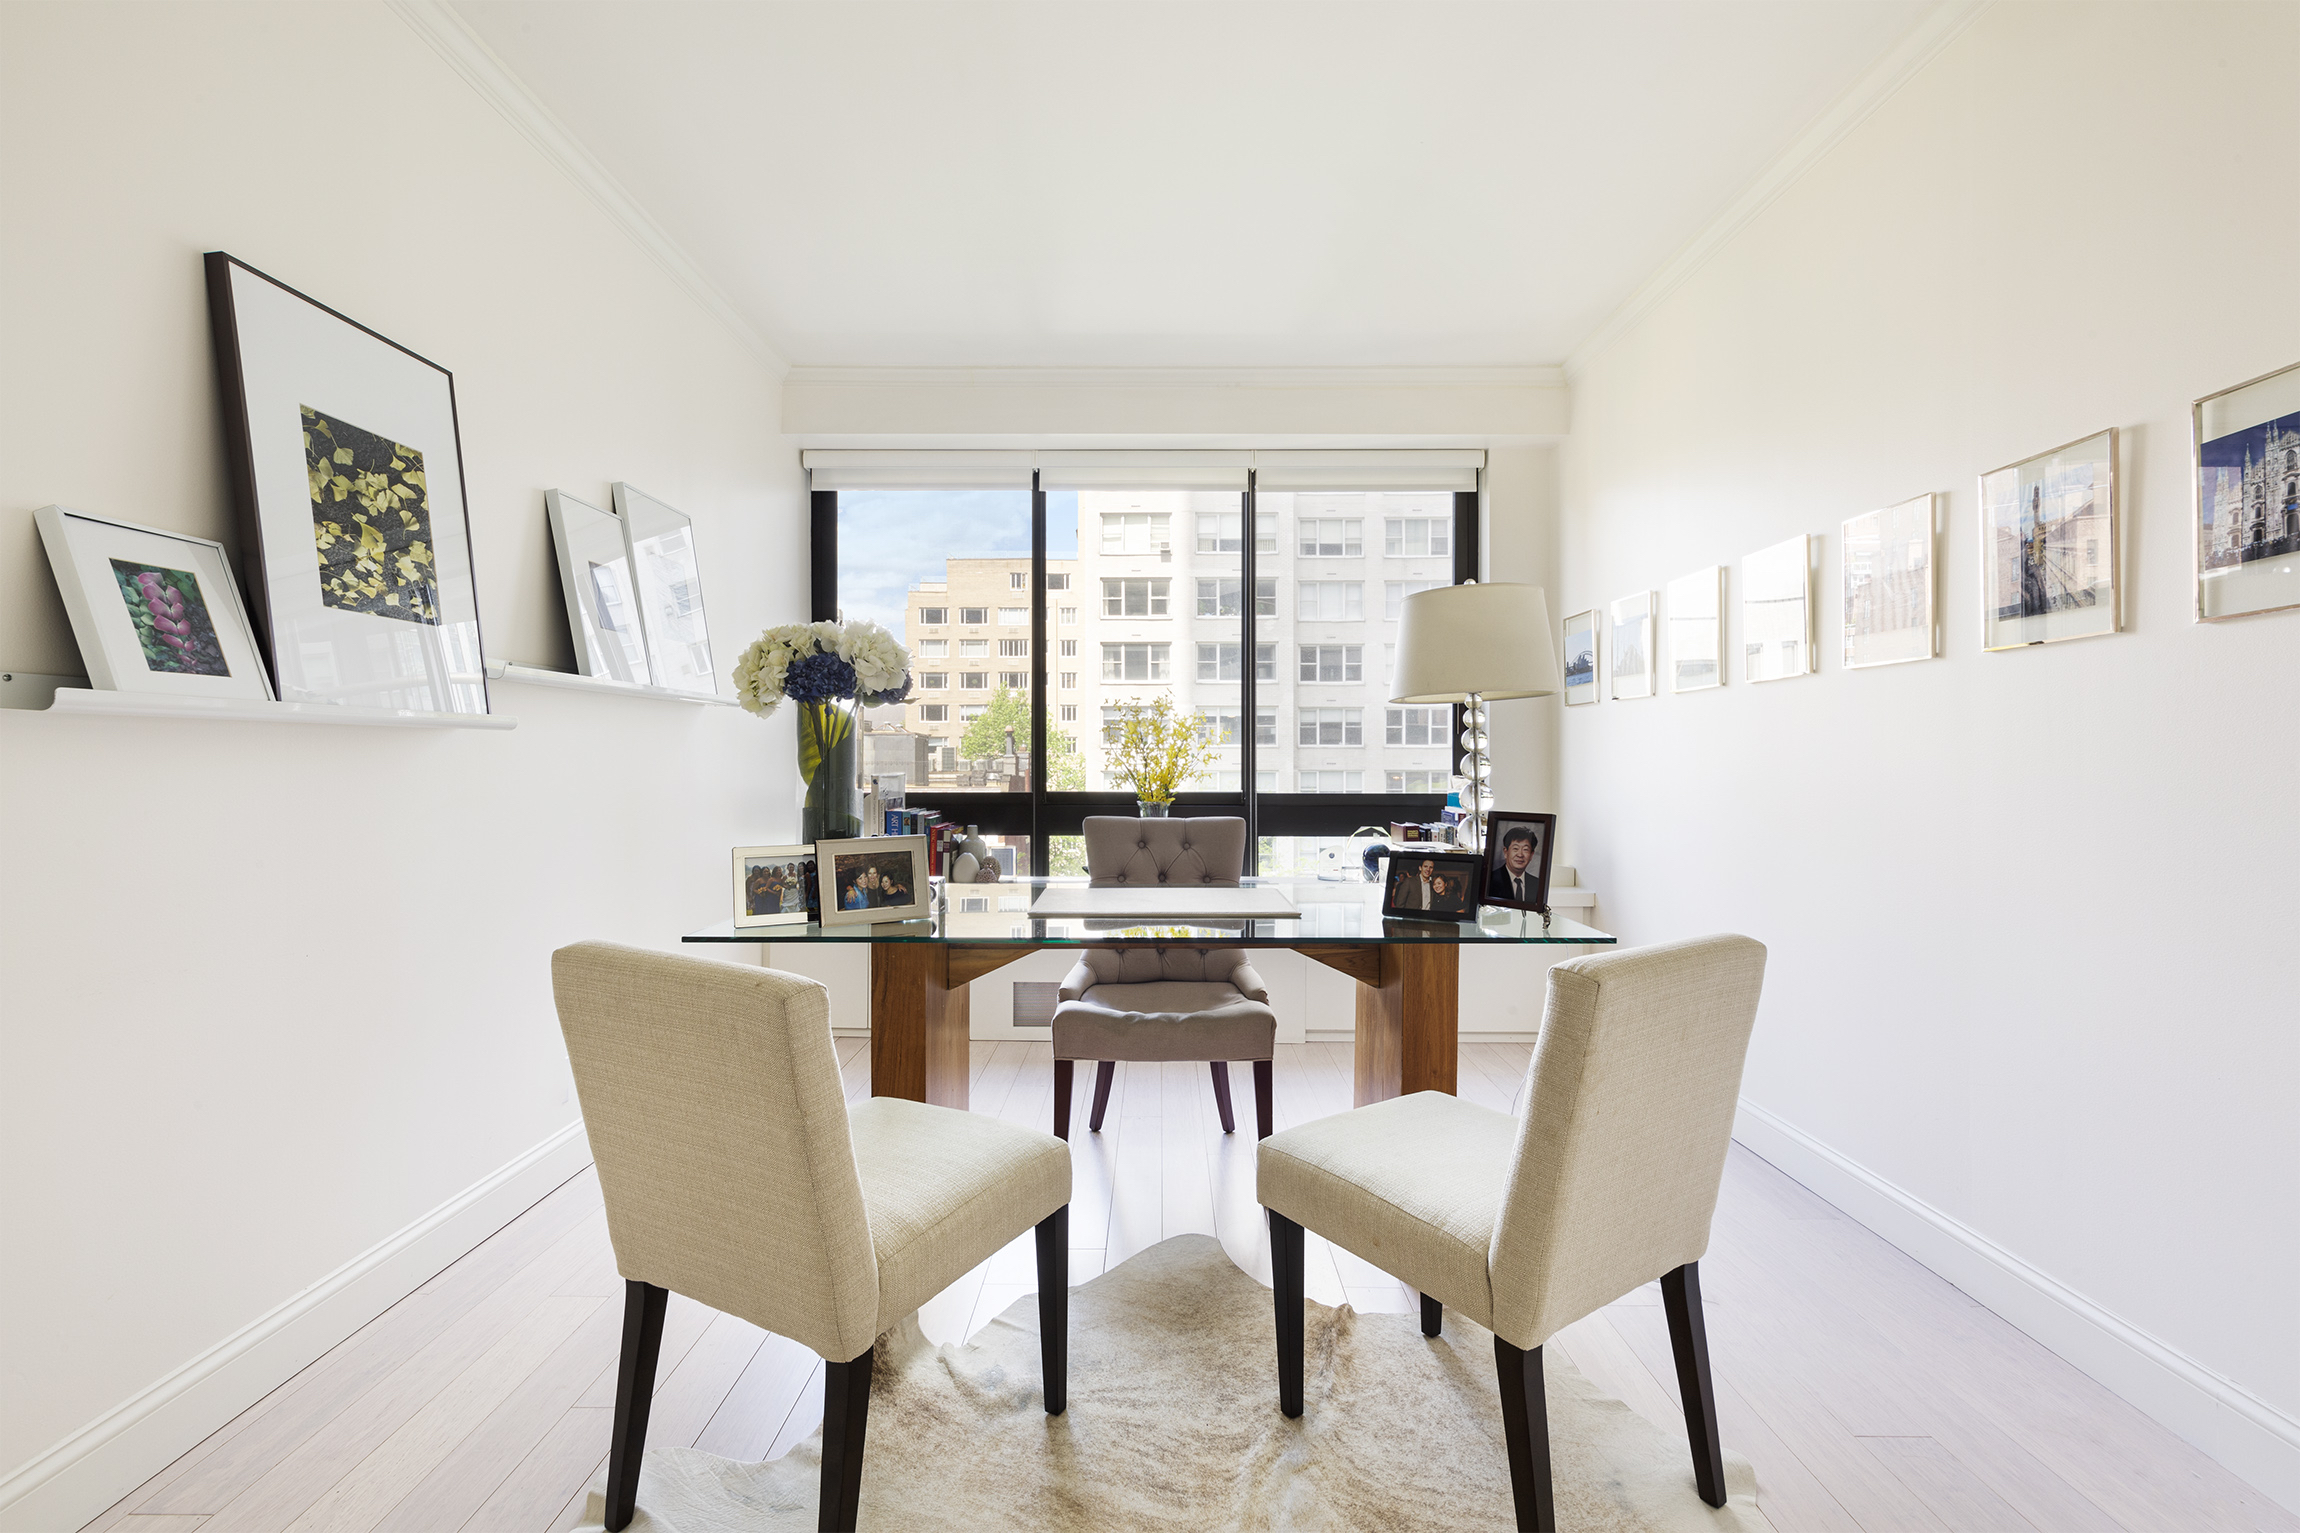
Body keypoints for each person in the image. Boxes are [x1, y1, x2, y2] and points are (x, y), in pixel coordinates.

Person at [1487, 825, 1542, 904]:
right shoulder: (1491, 880)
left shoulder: (1537, 884)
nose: (1520, 854)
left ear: (1531, 855)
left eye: (1525, 850)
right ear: (1505, 852)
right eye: (1515, 849)